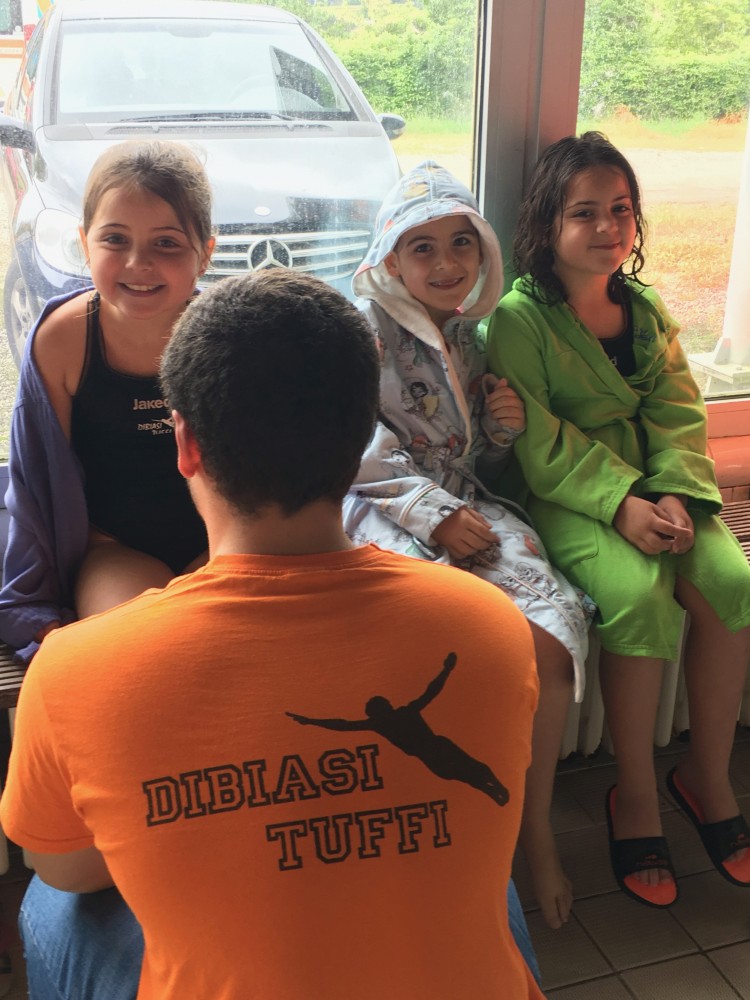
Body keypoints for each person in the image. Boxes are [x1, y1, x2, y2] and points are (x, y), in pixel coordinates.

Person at [0, 269, 545, 999]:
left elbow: (64, 868)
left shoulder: (74, 669)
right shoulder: (488, 623)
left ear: (186, 445)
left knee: (47, 902)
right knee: (479, 860)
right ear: (359, 442)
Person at [487, 131, 750, 908]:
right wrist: (621, 503)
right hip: (572, 496)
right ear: (547, 225)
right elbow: (538, 439)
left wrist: (674, 495)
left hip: (665, 490)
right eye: (584, 213)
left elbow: (679, 412)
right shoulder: (519, 319)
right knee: (635, 599)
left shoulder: (646, 308)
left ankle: (706, 777)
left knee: (732, 582)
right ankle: (634, 794)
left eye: (622, 209)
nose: (607, 227)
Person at [342, 160, 594, 930]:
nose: (446, 262)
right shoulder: (361, 333)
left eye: (460, 242)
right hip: (382, 515)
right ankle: (442, 842)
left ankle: (532, 825)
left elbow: (472, 458)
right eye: (421, 247)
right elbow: (351, 445)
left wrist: (500, 431)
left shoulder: (469, 336)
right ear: (390, 258)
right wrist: (432, 513)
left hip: (469, 506)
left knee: (550, 637)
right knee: (430, 640)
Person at [0, 139, 215, 663]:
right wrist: (32, 605)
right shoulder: (63, 340)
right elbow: (35, 483)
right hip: (112, 548)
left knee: (217, 645)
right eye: (115, 239)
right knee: (136, 649)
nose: (139, 263)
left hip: (219, 539)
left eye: (166, 243)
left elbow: (267, 464)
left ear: (205, 254)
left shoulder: (225, 335)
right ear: (84, 242)